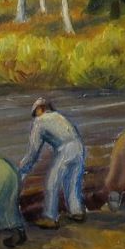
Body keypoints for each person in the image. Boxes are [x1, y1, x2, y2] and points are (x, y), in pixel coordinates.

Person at [18, 98, 86, 229]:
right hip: (78, 147)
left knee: (52, 182)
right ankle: (76, 211)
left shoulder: (39, 122)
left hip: (65, 149)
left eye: (35, 112)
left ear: (40, 109)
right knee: (72, 181)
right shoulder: (58, 116)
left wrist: (23, 168)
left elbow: (33, 151)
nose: (35, 116)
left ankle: (50, 217)